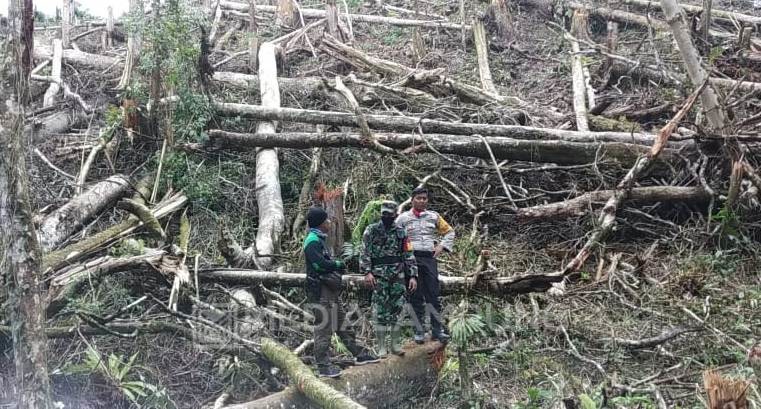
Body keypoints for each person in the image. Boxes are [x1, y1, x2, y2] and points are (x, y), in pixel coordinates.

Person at [304, 206, 380, 378]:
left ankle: (359, 354)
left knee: (341, 322)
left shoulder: (319, 238)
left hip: (329, 291)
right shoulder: (312, 241)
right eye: (327, 220)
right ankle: (323, 367)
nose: (329, 222)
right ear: (320, 223)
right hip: (320, 292)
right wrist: (337, 264)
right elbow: (319, 265)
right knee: (324, 328)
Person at [395, 187, 454, 344]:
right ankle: (419, 331)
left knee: (433, 295)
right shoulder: (402, 218)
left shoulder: (434, 217)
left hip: (429, 258)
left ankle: (437, 330)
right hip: (411, 259)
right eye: (419, 198)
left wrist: (441, 246)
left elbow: (449, 232)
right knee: (415, 295)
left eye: (424, 199)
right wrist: (399, 257)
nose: (422, 201)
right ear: (412, 199)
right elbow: (395, 238)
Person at [361, 200, 418, 356]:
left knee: (398, 309)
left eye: (390, 214)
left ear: (395, 215)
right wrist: (367, 272)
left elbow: (408, 254)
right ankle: (381, 346)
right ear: (381, 214)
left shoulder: (401, 232)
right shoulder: (371, 230)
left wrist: (412, 275)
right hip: (378, 276)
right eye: (384, 214)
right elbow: (364, 252)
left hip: (397, 275)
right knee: (379, 311)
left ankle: (394, 344)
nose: (386, 216)